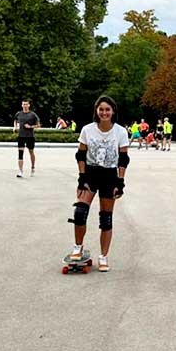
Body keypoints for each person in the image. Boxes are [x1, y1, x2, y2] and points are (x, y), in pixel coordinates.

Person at [67, 95, 129, 272]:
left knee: (106, 219)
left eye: (107, 109)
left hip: (109, 176)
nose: (104, 112)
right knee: (80, 212)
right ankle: (78, 247)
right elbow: (80, 155)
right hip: (91, 174)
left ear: (113, 111)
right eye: (101, 109)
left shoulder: (120, 132)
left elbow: (123, 159)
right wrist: (82, 177)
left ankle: (103, 256)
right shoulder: (87, 130)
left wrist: (120, 181)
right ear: (96, 111)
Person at [13, 99, 40, 177]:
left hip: (30, 136)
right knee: (20, 154)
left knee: (31, 152)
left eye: (26, 104)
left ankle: (33, 167)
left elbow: (39, 125)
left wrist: (30, 126)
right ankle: (20, 171)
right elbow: (15, 120)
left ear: (29, 105)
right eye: (23, 104)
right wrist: (15, 127)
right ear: (22, 105)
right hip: (21, 136)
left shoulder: (33, 115)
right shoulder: (18, 114)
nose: (25, 106)